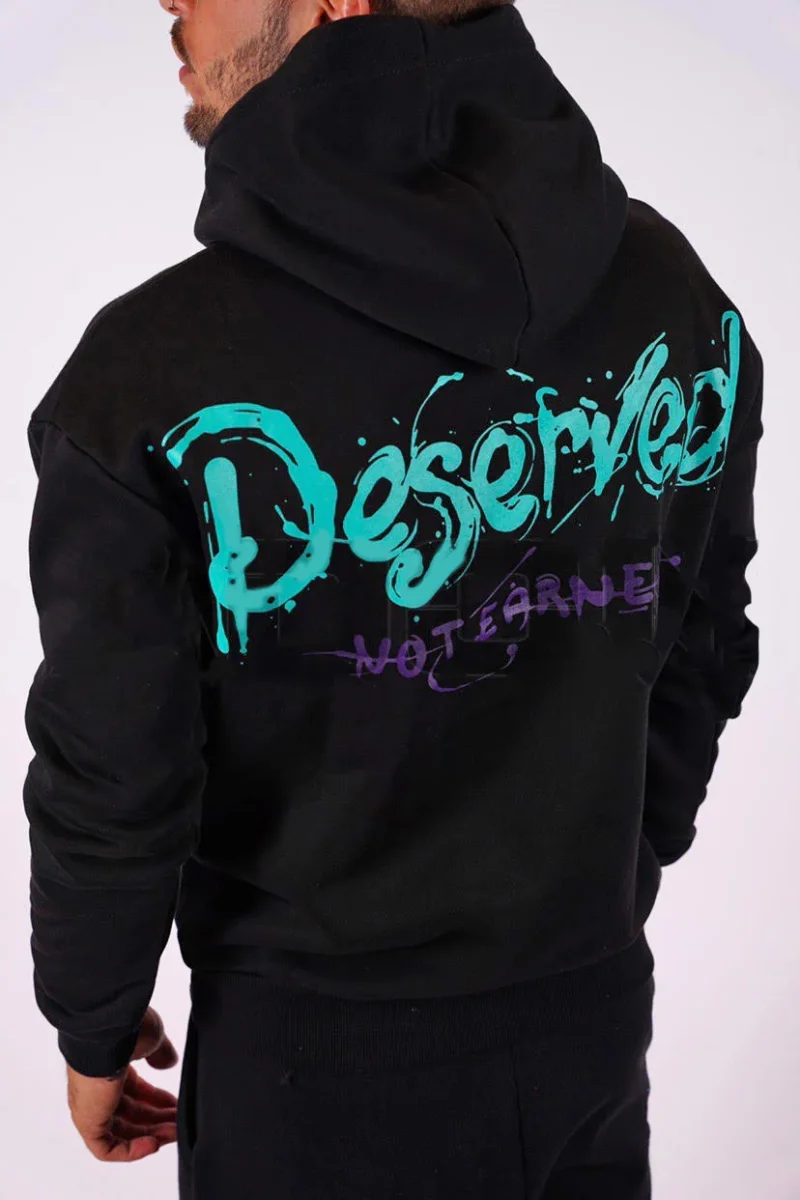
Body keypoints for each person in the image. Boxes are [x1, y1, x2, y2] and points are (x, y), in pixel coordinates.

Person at [22, 0, 763, 1196]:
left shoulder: (149, 376)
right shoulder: (672, 294)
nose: (168, 1)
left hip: (309, 1078)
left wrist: (94, 1018)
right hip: (584, 1030)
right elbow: (705, 642)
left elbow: (116, 767)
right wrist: (598, 885)